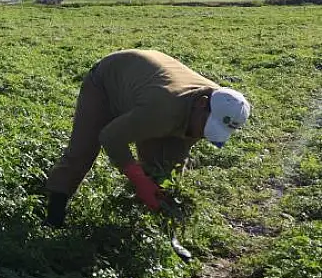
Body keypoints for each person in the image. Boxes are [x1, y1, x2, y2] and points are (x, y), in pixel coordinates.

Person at [44, 49, 251, 227]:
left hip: (147, 90)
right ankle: (53, 215)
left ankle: (154, 227)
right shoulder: (163, 109)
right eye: (206, 127)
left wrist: (166, 187)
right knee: (82, 151)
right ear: (201, 104)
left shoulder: (213, 107)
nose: (202, 135)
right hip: (107, 82)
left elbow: (178, 154)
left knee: (163, 167)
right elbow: (110, 137)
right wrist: (138, 179)